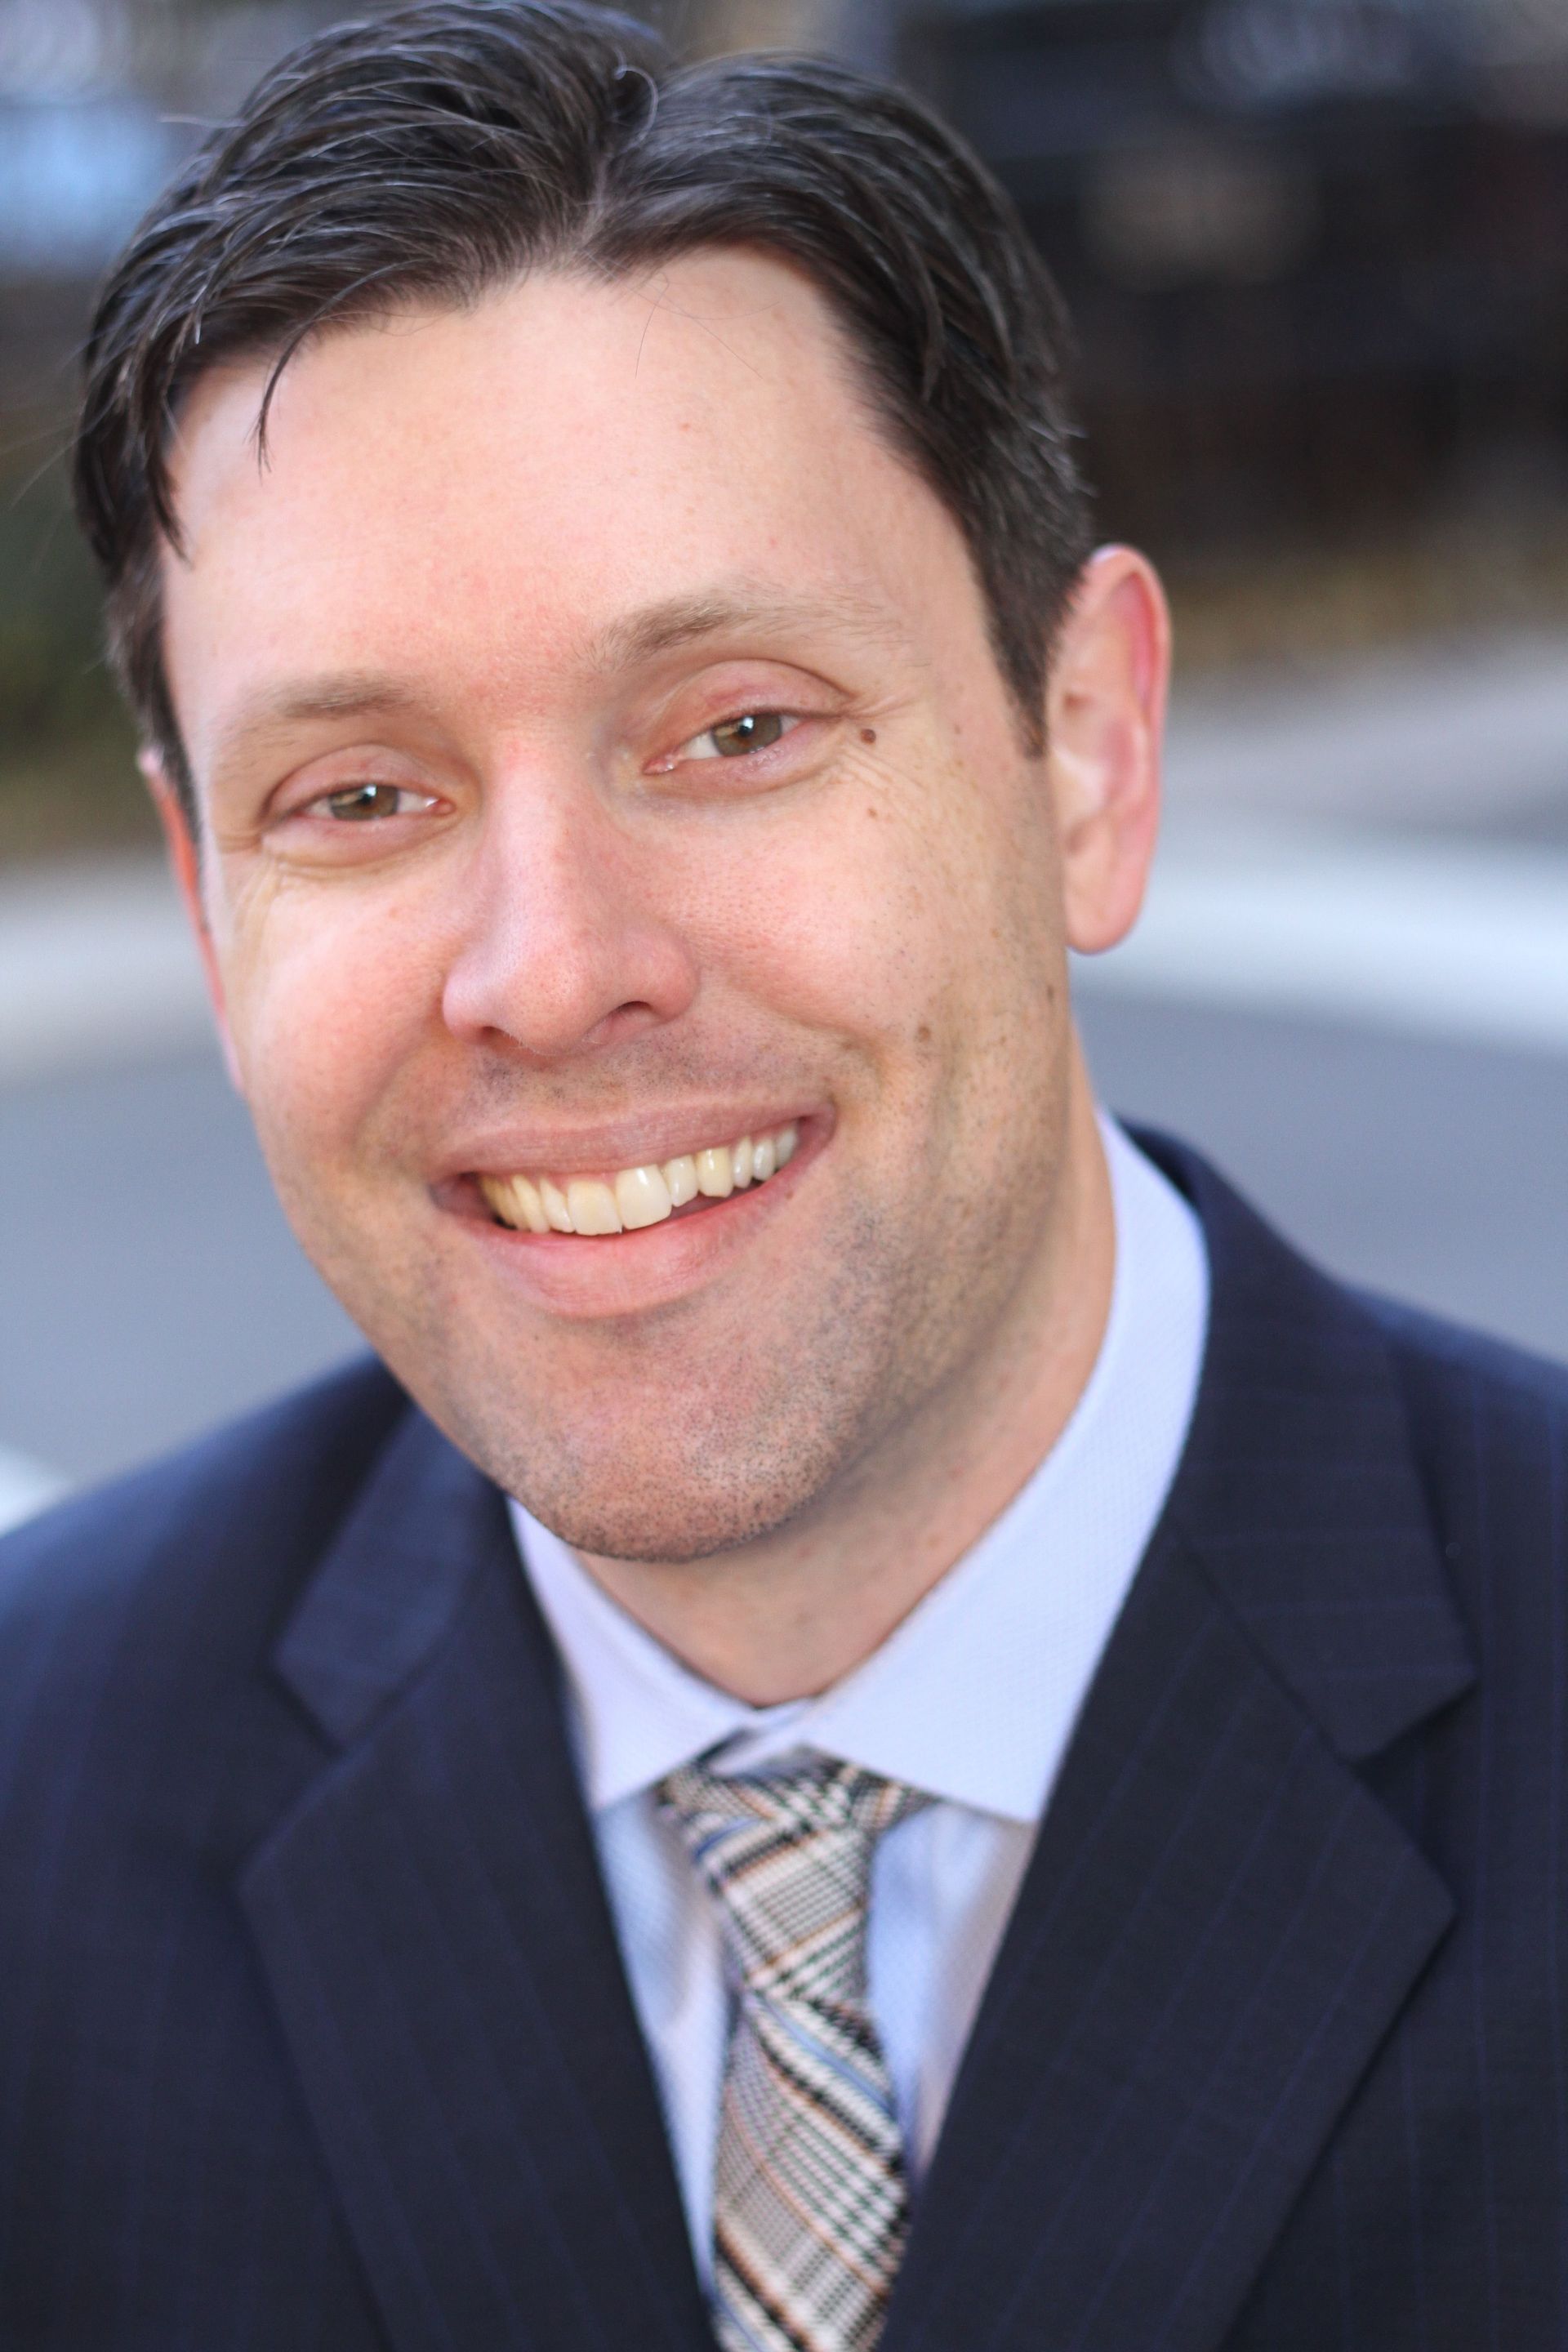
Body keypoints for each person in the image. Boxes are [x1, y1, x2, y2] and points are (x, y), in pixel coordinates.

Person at [2, 3, 1563, 2345]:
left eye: (736, 728)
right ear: (211, 909)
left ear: (1086, 755)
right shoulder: (34, 1816)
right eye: (358, 795)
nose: (550, 971)